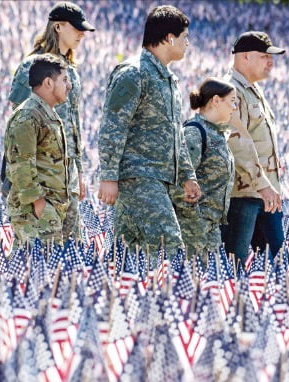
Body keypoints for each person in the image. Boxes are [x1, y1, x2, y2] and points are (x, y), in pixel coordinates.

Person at [97, 5, 200, 259]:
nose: (188, 43)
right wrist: (109, 176)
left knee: (125, 253)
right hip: (139, 178)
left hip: (159, 178)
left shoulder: (168, 79)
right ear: (169, 38)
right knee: (170, 247)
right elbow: (113, 126)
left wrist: (187, 175)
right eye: (185, 37)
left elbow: (176, 134)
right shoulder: (134, 73)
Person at [6, 1, 95, 241]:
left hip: (66, 178)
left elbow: (74, 124)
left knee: (69, 252)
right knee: (38, 253)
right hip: (41, 178)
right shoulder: (32, 67)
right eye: (76, 28)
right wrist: (32, 193)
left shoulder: (70, 70)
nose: (82, 34)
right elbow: (20, 127)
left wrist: (79, 172)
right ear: (57, 27)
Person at [222, 31, 286, 264]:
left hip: (263, 193)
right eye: (264, 56)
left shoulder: (252, 89)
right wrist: (263, 185)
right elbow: (237, 143)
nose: (271, 62)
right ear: (245, 57)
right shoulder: (230, 91)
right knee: (234, 265)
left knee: (277, 265)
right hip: (242, 195)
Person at [4, 54, 72, 245]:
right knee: (34, 267)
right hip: (34, 212)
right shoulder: (28, 115)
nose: (69, 86)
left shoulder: (46, 113)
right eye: (64, 80)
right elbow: (21, 165)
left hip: (49, 210)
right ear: (48, 83)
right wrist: (39, 204)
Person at [171, 78, 237, 259]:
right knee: (191, 280)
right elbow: (179, 180)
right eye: (232, 101)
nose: (234, 107)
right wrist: (195, 219)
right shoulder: (194, 132)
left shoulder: (216, 133)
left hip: (210, 226)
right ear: (216, 101)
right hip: (192, 228)